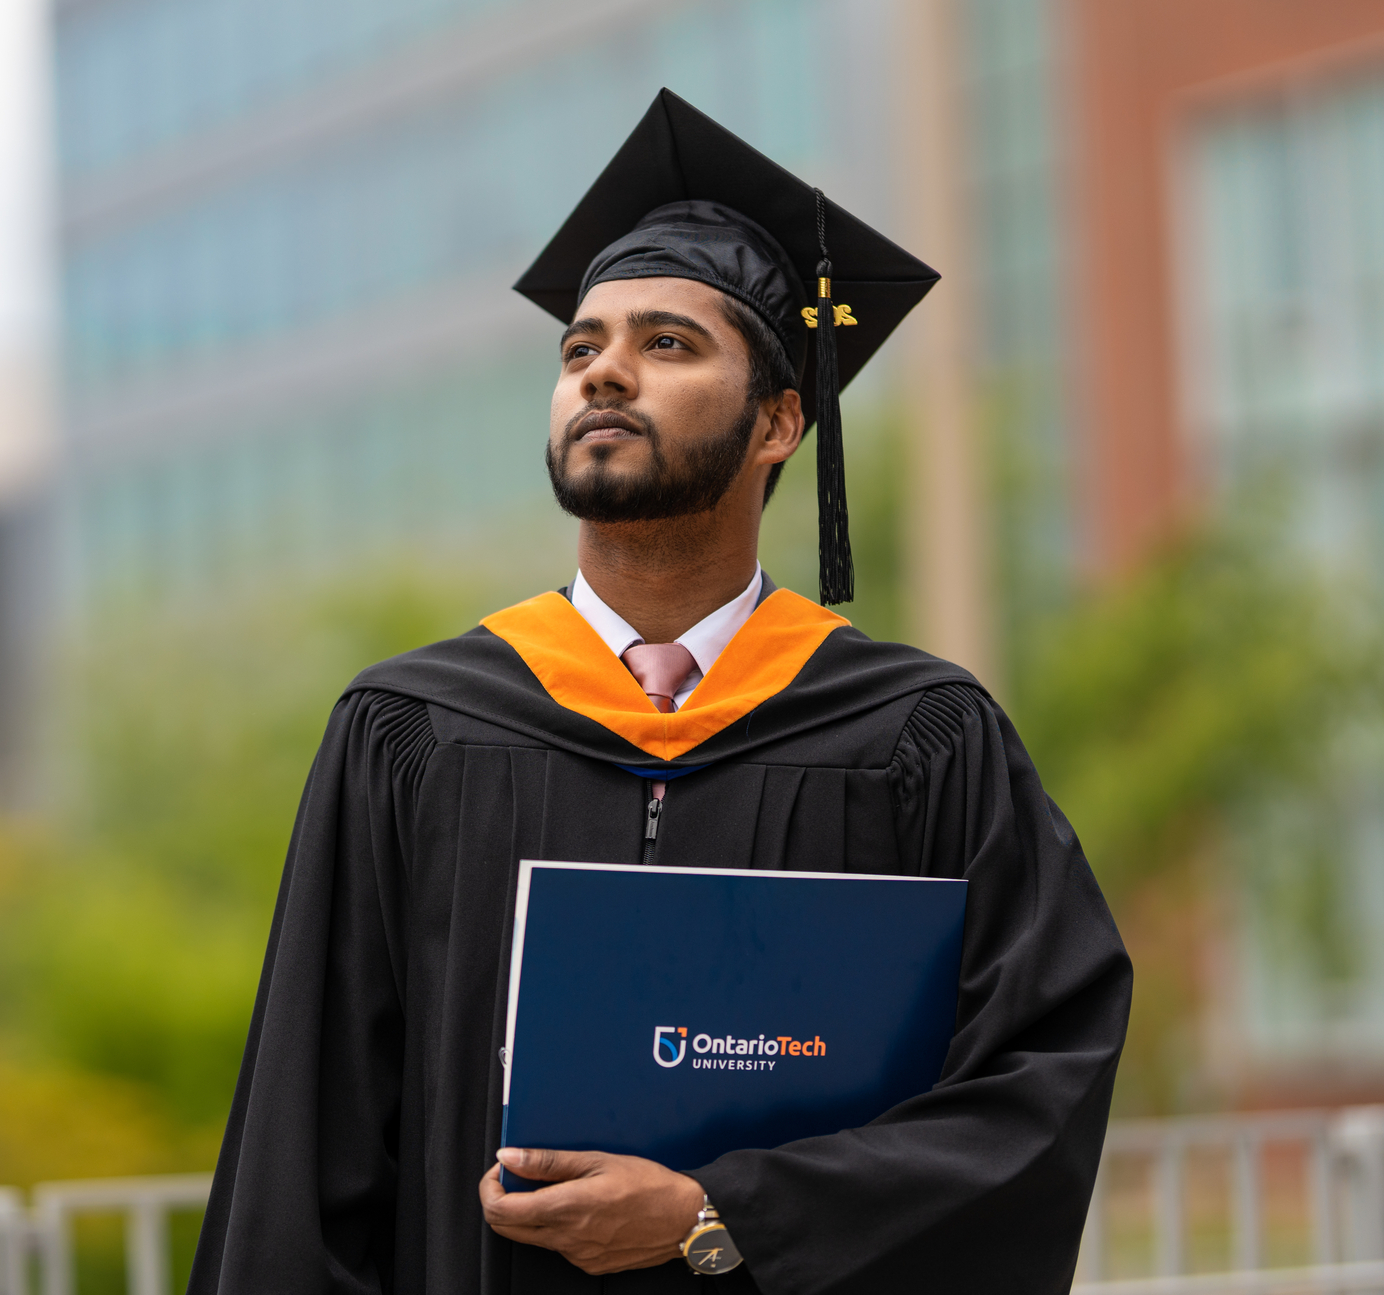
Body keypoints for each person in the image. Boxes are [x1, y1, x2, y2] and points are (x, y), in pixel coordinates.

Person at [186, 90, 1131, 1295]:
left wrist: (720, 1213)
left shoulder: (917, 736)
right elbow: (306, 1144)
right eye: (580, 347)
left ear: (780, 421)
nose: (603, 374)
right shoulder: (412, 730)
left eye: (666, 343)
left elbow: (1034, 1088)